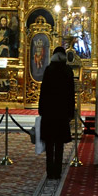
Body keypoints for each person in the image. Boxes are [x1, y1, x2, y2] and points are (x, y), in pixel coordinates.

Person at [38, 46, 75, 180]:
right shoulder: (67, 71)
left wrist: (41, 109)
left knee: (49, 144)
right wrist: (71, 112)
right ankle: (57, 172)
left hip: (49, 113)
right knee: (59, 145)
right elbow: (71, 94)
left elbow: (43, 92)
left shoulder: (49, 70)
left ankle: (50, 171)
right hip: (62, 113)